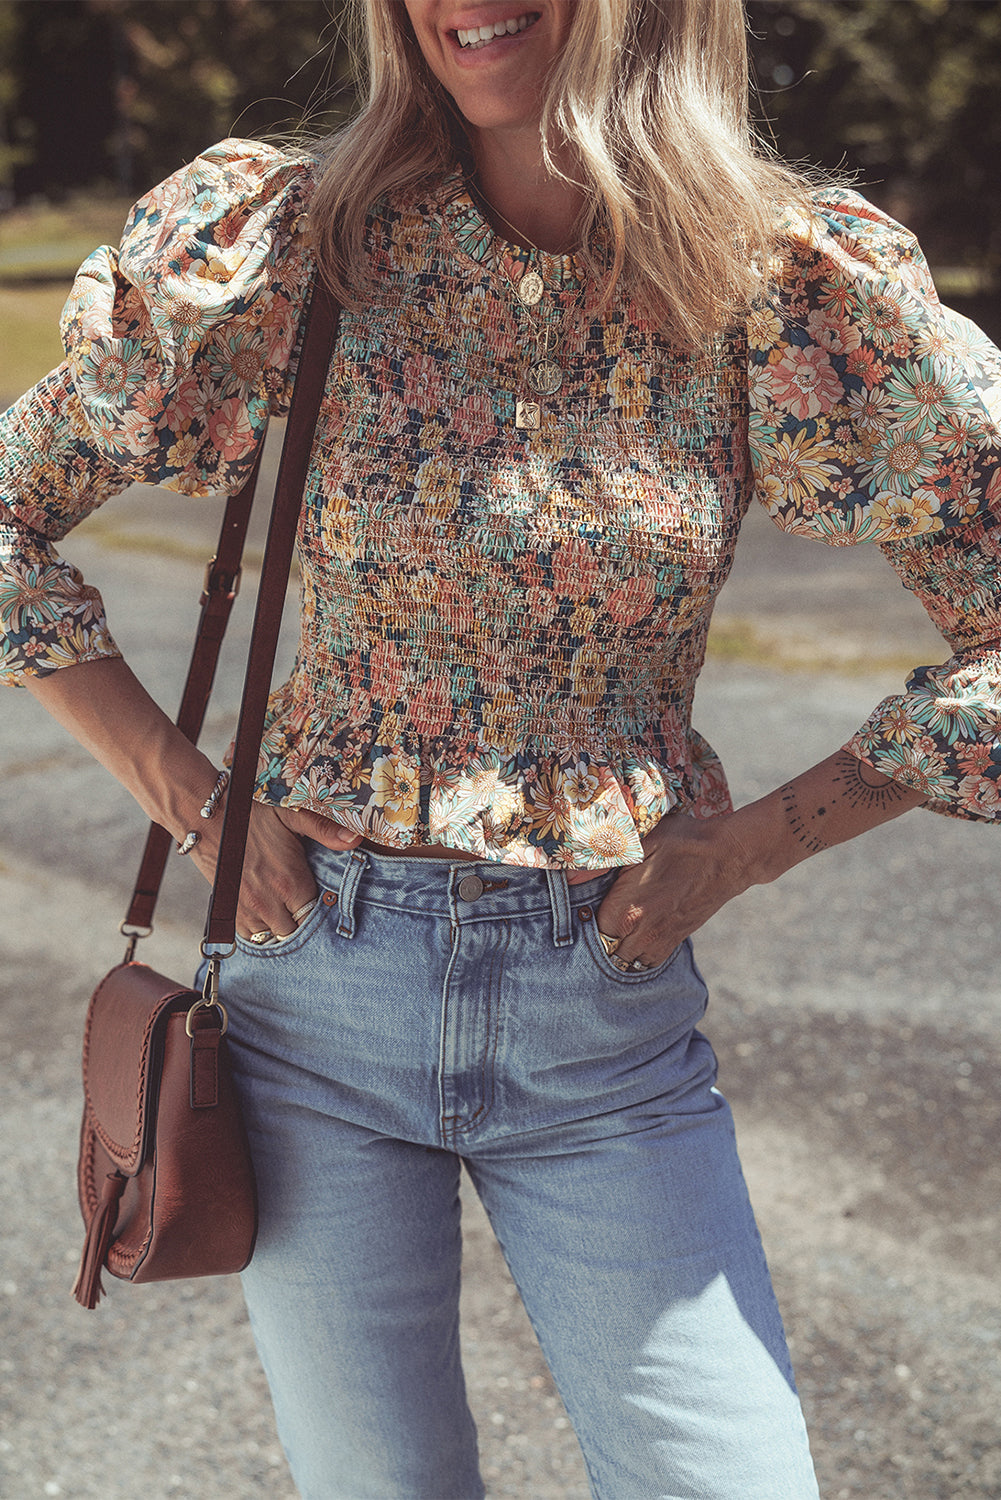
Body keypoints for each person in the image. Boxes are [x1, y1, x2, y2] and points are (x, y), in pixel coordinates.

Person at [2, 1, 1000, 1495]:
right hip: (310, 998)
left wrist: (753, 846)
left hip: (602, 1018)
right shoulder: (293, 243)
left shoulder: (781, 280)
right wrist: (192, 800)